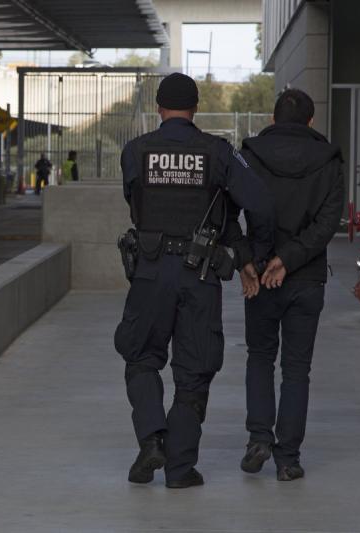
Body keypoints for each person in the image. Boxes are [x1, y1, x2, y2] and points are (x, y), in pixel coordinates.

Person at [114, 73, 274, 489]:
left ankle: (152, 439)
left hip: (149, 272)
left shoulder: (135, 151)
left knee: (141, 356)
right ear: (196, 108)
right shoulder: (217, 152)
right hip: (199, 272)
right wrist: (243, 255)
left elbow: (136, 204)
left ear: (159, 108)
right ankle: (181, 470)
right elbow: (258, 201)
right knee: (194, 370)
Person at [237, 89, 344, 481]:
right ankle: (288, 460)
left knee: (260, 357)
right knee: (297, 368)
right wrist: (292, 258)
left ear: (274, 118)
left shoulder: (251, 154)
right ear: (311, 122)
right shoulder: (330, 160)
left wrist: (253, 259)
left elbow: (232, 211)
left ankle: (258, 439)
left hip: (262, 275)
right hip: (307, 278)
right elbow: (328, 224)